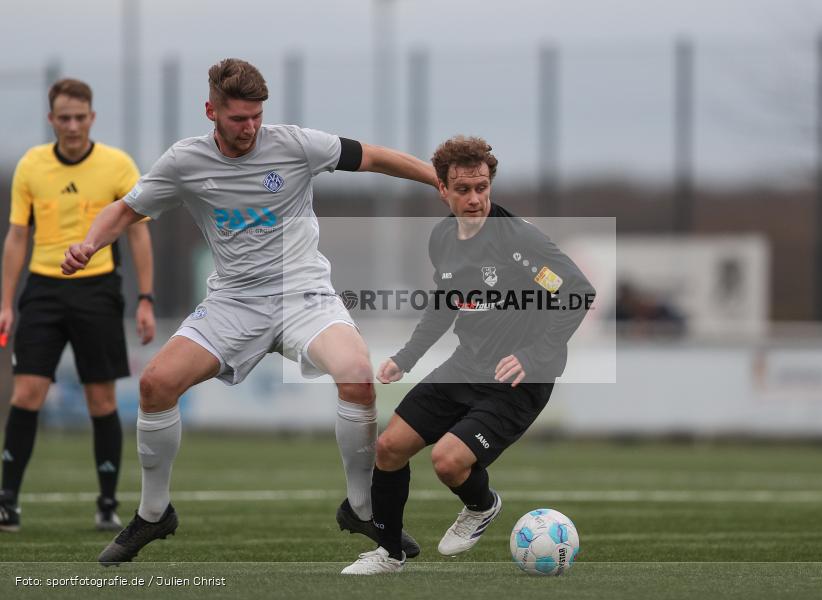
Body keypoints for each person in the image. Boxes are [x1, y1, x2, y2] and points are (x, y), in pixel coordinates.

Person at [60, 58, 437, 565]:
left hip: (305, 296)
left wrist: (437, 179)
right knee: (155, 385)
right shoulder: (184, 162)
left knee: (356, 377)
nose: (251, 128)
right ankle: (154, 514)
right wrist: (88, 244)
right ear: (211, 110)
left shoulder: (297, 144)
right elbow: (127, 209)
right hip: (233, 302)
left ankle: (362, 507)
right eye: (239, 118)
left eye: (257, 116)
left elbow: (373, 157)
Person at [342, 136, 596, 574]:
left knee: (448, 461)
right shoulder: (442, 239)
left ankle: (482, 505)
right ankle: (389, 553)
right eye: (463, 189)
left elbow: (576, 292)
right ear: (442, 189)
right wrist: (406, 357)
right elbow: (446, 304)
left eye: (482, 187)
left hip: (518, 380)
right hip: (466, 365)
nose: (475, 198)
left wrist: (535, 354)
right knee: (388, 447)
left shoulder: (519, 241)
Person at [0, 78, 156, 532]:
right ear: (51, 120)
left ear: (92, 118)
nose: (71, 125)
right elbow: (17, 236)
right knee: (26, 393)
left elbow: (138, 232)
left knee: (101, 399)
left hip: (98, 290)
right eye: (63, 117)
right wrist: (6, 302)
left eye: (79, 117)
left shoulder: (117, 165)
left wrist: (146, 299)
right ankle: (7, 499)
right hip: (44, 290)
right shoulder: (31, 166)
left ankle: (107, 502)